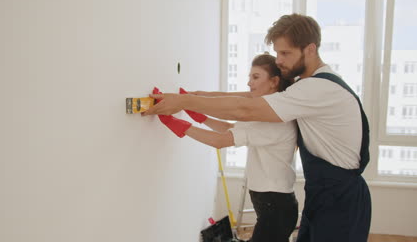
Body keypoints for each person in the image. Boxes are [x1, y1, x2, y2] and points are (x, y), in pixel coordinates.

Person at [143, 13, 371, 242]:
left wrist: (184, 103)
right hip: (321, 194)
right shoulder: (306, 85)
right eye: (277, 53)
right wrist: (196, 97)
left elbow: (246, 108)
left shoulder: (317, 88)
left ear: (310, 49)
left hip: (340, 198)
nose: (279, 60)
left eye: (285, 53)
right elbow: (248, 98)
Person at [156, 54, 298, 242]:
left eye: (255, 77)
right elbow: (231, 129)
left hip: (276, 207)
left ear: (274, 82)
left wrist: (178, 125)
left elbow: (220, 141)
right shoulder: (266, 113)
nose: (249, 84)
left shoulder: (275, 122)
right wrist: (201, 117)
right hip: (273, 205)